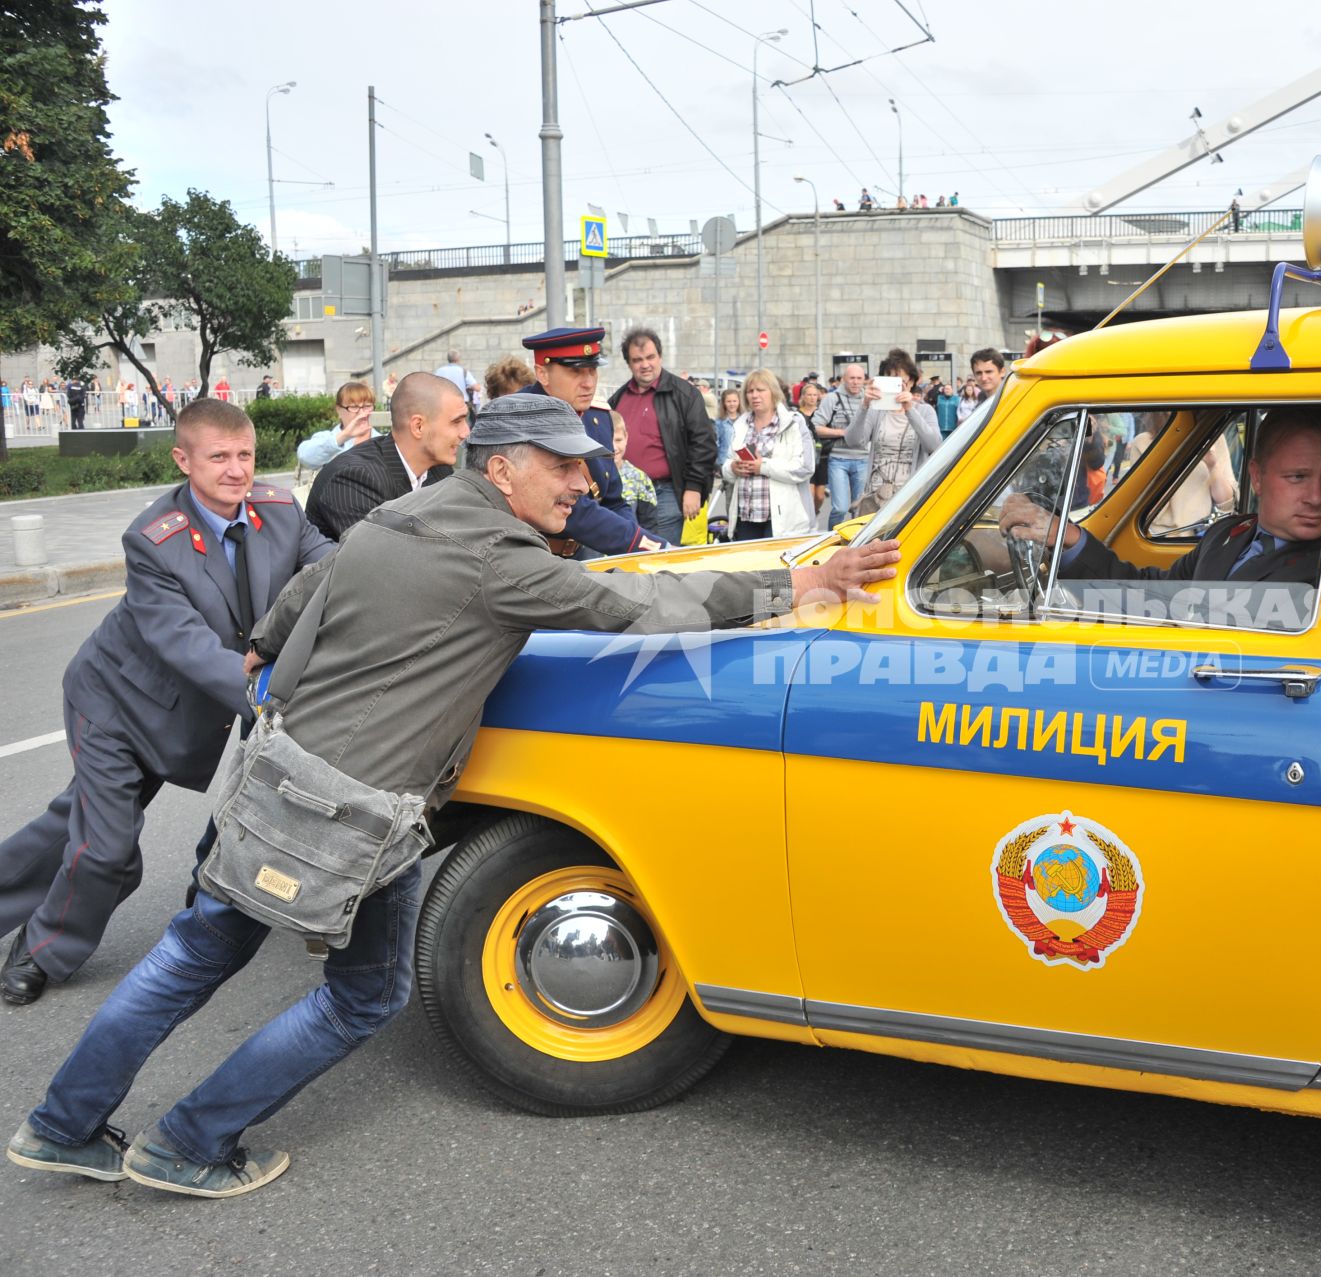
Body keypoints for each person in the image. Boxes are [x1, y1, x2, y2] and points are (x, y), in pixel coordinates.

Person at [3, 391, 900, 1198]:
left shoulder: (403, 508)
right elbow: (645, 611)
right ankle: (189, 1143)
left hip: (275, 774)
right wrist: (802, 583)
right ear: (501, 470)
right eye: (560, 467)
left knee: (192, 955)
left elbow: (308, 588)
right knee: (361, 998)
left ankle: (60, 1125)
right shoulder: (503, 560)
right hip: (361, 810)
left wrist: (262, 649)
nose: (581, 484)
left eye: (584, 465)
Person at [0, 399, 333, 1006]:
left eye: (245, 456)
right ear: (184, 460)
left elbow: (329, 571)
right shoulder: (154, 541)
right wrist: (267, 694)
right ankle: (41, 949)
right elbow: (188, 645)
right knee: (106, 849)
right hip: (116, 707)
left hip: (182, 717)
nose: (236, 471)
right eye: (219, 458)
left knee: (70, 830)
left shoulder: (280, 511)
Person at [1001, 404, 1321, 586]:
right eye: (1298, 477)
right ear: (1257, 476)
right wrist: (1071, 539)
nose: (1316, 496)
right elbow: (1158, 594)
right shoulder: (1228, 534)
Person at [516, 326, 648, 558]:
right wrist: (645, 544)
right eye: (576, 372)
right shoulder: (521, 419)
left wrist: (632, 550)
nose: (589, 383)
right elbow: (574, 510)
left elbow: (614, 500)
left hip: (587, 553)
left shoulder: (598, 416)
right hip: (533, 558)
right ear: (543, 374)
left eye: (592, 371)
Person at [306, 373, 468, 542]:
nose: (466, 433)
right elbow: (386, 560)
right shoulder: (353, 478)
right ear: (418, 426)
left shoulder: (440, 470)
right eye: (456, 422)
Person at [605, 327, 716, 546]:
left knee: (658, 560)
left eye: (650, 357)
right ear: (629, 364)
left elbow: (704, 443)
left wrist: (694, 487)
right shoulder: (618, 399)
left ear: (660, 356)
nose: (645, 364)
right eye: (637, 360)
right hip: (626, 492)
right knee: (627, 560)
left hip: (665, 493)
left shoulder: (685, 394)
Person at [715, 368, 816, 540]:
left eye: (760, 390)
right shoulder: (740, 424)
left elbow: (805, 468)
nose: (754, 395)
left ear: (773, 392)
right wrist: (733, 468)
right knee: (748, 566)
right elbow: (726, 466)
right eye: (750, 391)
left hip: (782, 519)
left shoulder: (793, 423)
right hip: (745, 516)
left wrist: (762, 467)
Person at [845, 349, 941, 515]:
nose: (895, 386)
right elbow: (853, 441)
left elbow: (934, 445)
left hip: (910, 497)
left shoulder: (924, 411)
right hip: (874, 497)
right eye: (889, 380)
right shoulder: (876, 411)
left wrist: (910, 409)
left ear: (911, 381)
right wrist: (864, 406)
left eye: (900, 381)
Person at [811, 362, 869, 525]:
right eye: (852, 378)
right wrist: (842, 433)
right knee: (840, 508)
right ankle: (832, 539)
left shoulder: (869, 400)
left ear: (864, 380)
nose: (855, 382)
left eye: (859, 378)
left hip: (863, 459)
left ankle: (857, 544)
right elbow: (815, 427)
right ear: (844, 379)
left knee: (860, 511)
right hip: (838, 459)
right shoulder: (832, 399)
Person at [296, 382, 376, 470]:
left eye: (367, 406)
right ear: (339, 410)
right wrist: (344, 436)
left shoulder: (385, 440)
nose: (362, 413)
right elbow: (306, 457)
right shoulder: (326, 438)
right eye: (354, 407)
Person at [793, 381, 828, 514]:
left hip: (821, 457)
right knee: (810, 493)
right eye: (809, 395)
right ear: (803, 396)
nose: (812, 398)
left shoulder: (822, 414)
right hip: (805, 457)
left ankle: (814, 513)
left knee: (820, 496)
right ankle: (808, 518)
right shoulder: (797, 415)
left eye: (815, 395)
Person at [433, 349, 479, 414]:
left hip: (444, 403)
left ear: (448, 359)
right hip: (461, 403)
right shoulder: (463, 371)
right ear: (458, 359)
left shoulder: (439, 371)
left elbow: (433, 387)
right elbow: (477, 388)